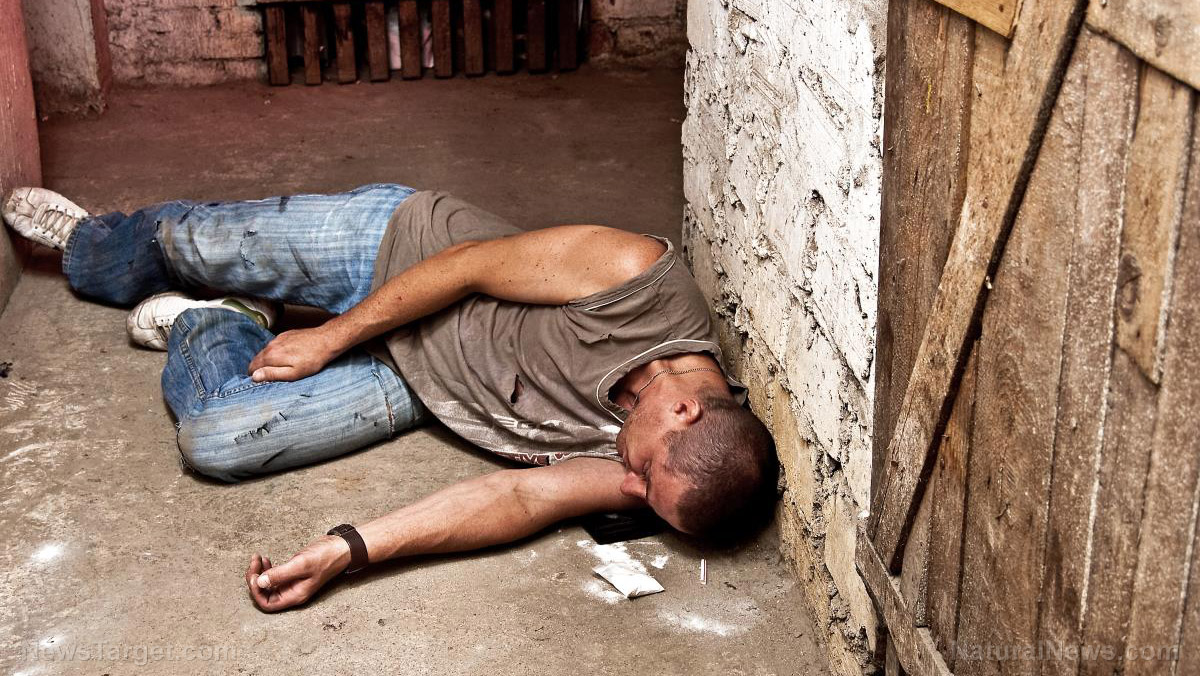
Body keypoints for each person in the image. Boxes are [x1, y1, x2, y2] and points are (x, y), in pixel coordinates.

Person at [2, 184, 776, 612]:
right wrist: (328, 337)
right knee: (177, 246)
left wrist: (347, 549)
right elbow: (469, 265)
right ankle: (91, 244)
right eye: (640, 473)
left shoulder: (666, 473)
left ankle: (218, 318)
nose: (625, 486)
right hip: (403, 250)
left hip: (421, 385)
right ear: (683, 409)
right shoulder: (639, 281)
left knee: (217, 436)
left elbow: (517, 496)